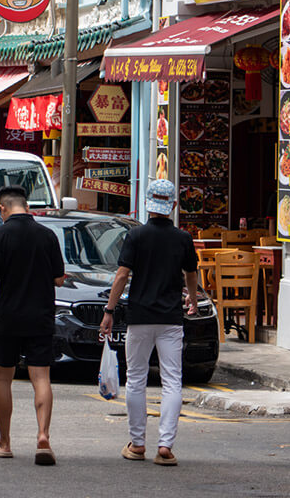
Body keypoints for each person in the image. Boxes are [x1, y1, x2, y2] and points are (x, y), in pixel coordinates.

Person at [99, 179, 198, 466]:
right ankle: (165, 445)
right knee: (171, 382)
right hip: (170, 319)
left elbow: (121, 276)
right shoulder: (183, 238)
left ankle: (138, 443)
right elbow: (190, 274)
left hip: (140, 317)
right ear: (173, 206)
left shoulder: (136, 236)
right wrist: (191, 298)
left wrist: (109, 309)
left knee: (136, 380)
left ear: (147, 204)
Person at [0, 185, 65, 465]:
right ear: (26, 206)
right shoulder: (47, 235)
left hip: (8, 316)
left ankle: (4, 442)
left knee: (3, 377)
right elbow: (59, 279)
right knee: (41, 377)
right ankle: (43, 437)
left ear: (2, 208)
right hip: (40, 315)